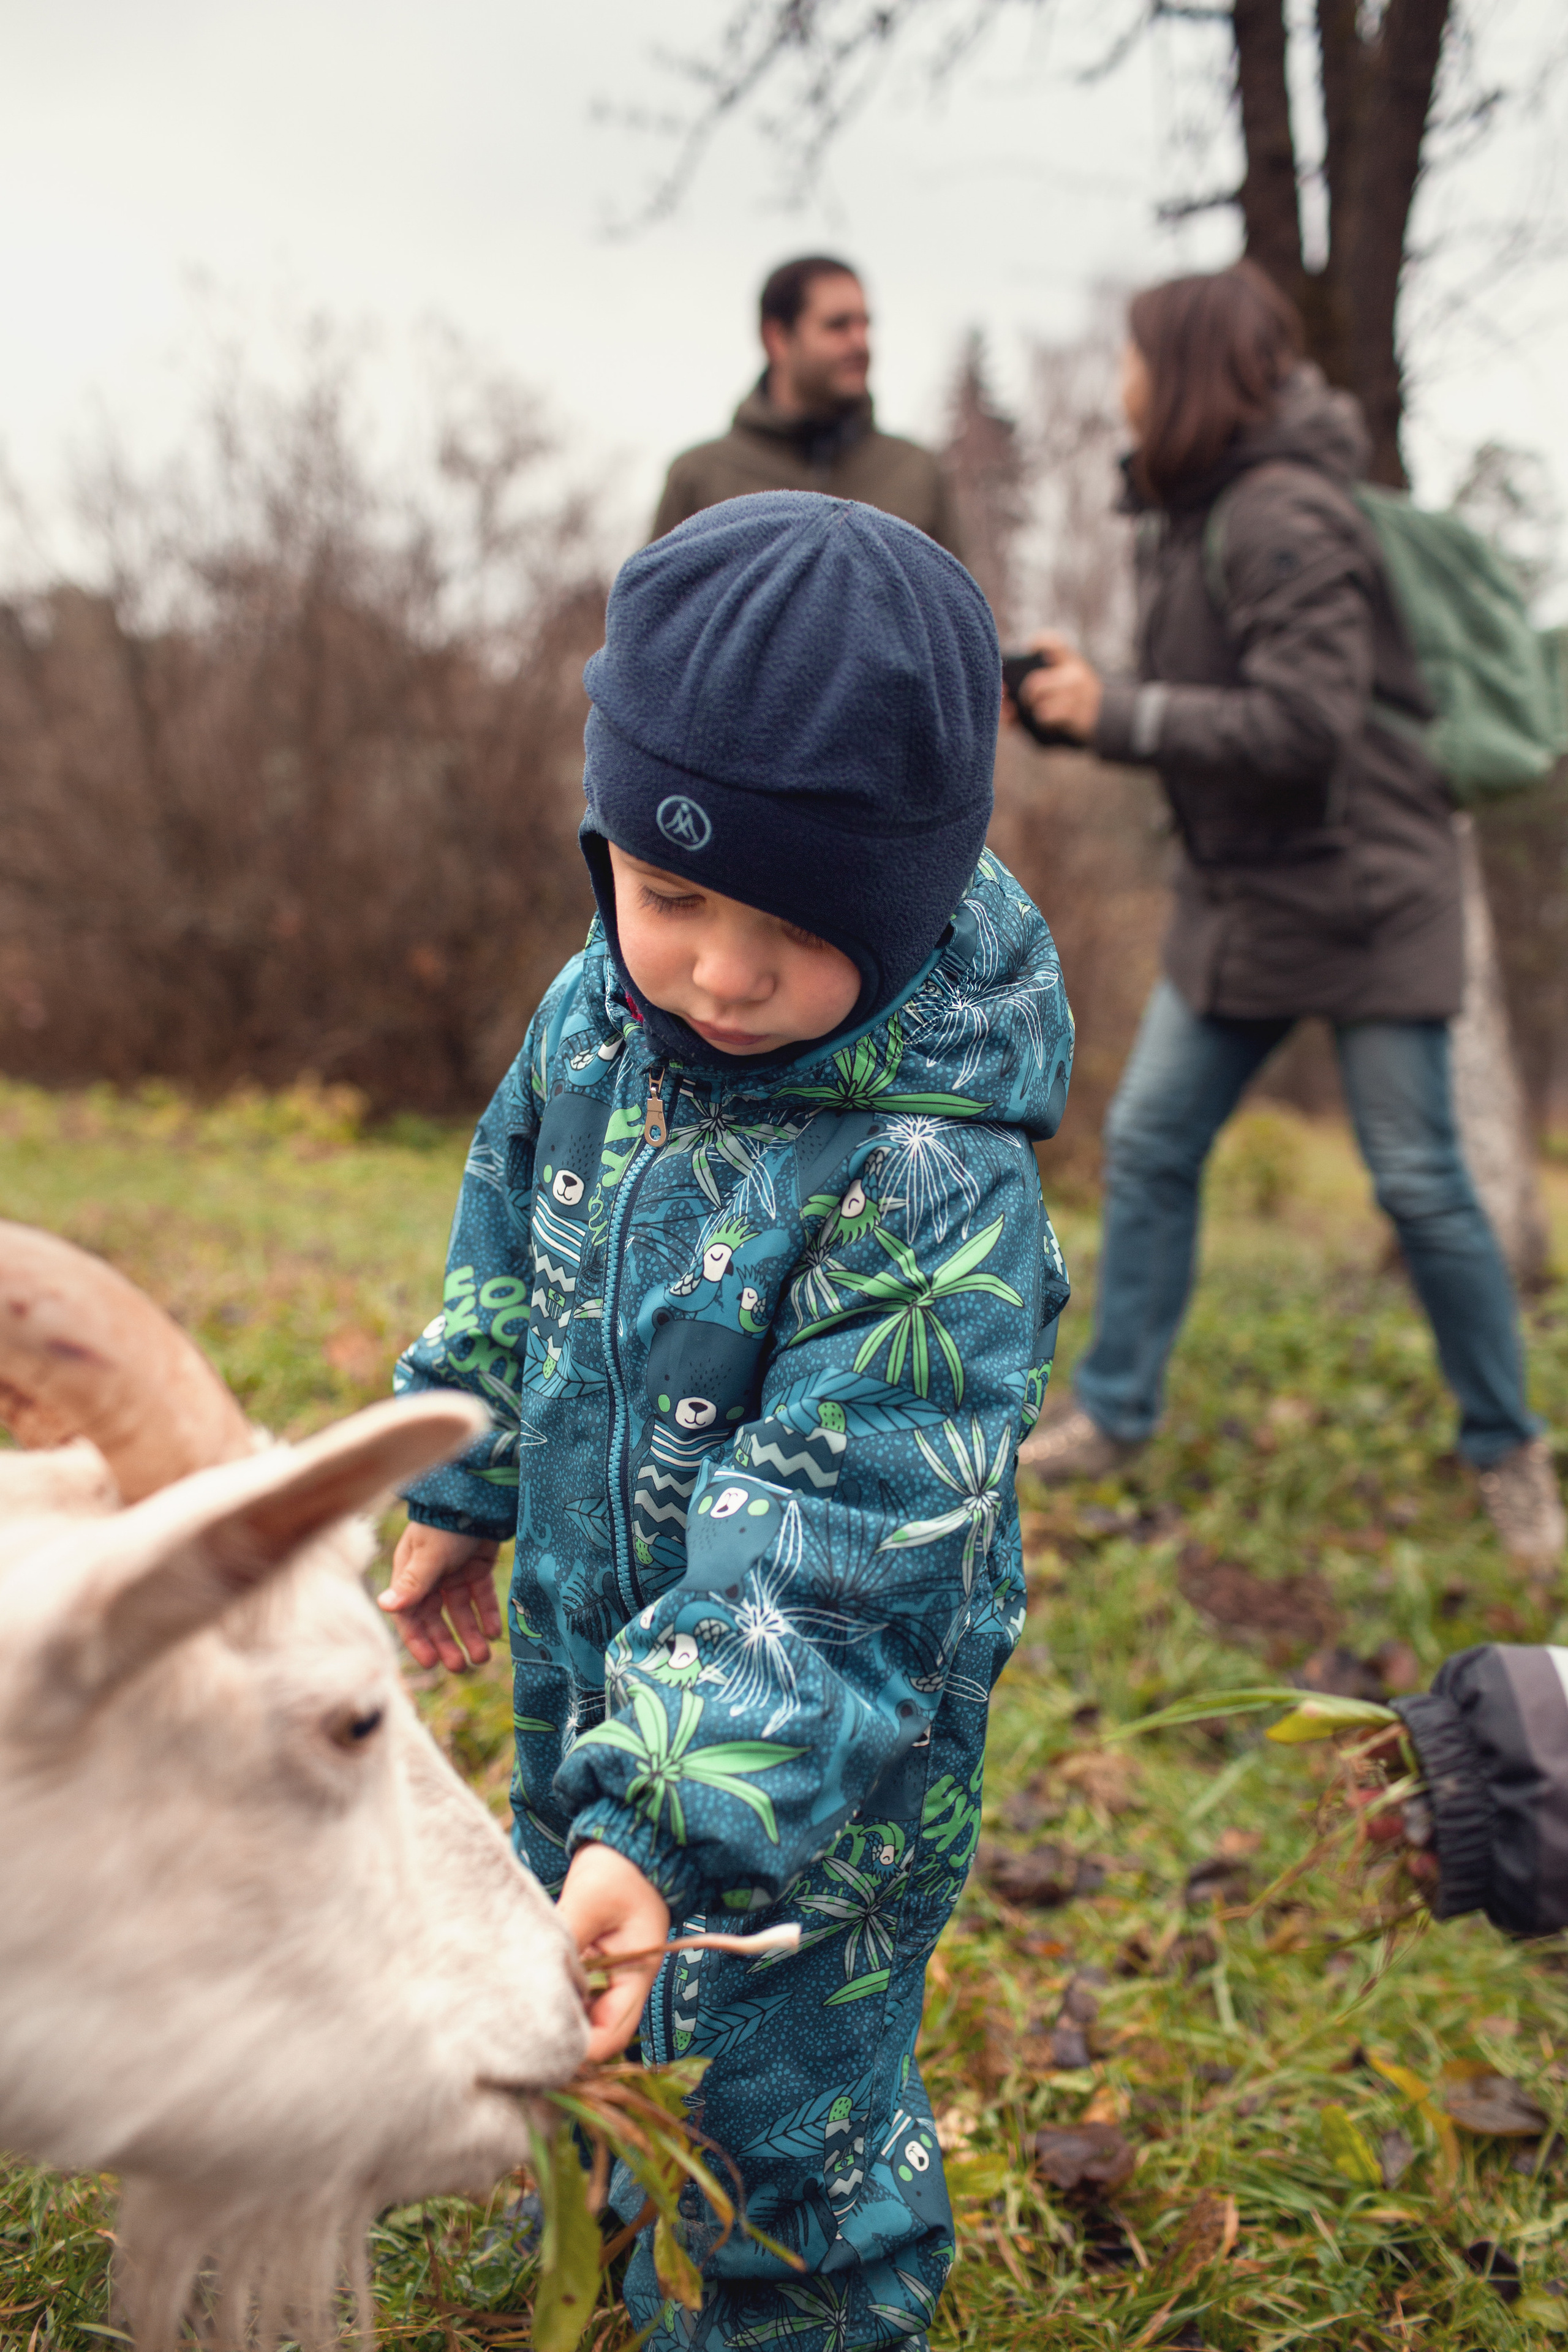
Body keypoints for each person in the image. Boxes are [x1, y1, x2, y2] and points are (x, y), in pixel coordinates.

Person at [381, 491, 1073, 2352]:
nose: (718, 969)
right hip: (581, 1684)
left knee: (778, 2123)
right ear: (605, 838)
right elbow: (507, 1246)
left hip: (813, 1785)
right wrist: (461, 1465)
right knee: (597, 2002)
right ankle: (618, 2217)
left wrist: (678, 1815)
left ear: (919, 897)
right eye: (673, 891)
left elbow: (840, 1550)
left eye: (798, 921)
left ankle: (789, 2303)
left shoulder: (929, 1185)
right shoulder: (589, 1021)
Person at [1012, 262, 1564, 1574]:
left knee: (1420, 1183)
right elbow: (1233, 703)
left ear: (1188, 373)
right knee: (1150, 1141)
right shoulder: (1189, 508)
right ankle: (1113, 1412)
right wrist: (1101, 708)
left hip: (1366, 894)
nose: (1123, 385)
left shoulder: (1280, 515)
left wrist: (1119, 712)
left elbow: (1303, 721)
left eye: (1137, 361)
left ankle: (1507, 1452)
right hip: (1244, 896)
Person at [650, 254, 962, 556]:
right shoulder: (699, 479)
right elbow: (654, 606)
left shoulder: (916, 472)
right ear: (777, 338)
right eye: (838, 325)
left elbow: (960, 607)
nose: (860, 342)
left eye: (865, 324)